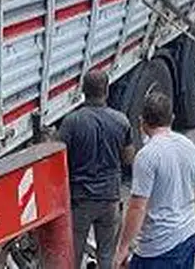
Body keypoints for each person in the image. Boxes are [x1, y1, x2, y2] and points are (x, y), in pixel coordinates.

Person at [52, 71, 135, 269]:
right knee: (106, 255)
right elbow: (128, 158)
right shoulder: (121, 121)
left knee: (74, 256)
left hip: (81, 201)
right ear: (106, 91)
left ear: (83, 90)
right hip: (110, 199)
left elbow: (56, 153)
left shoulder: (72, 122)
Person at [113, 92, 195, 269]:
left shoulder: (147, 156)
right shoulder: (189, 146)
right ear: (172, 118)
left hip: (159, 247)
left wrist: (122, 248)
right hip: (189, 233)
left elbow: (138, 207)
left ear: (141, 121)